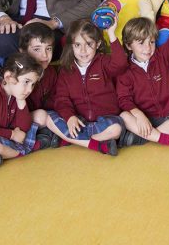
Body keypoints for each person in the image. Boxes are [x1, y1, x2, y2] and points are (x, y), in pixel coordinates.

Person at [40, 18, 127, 156]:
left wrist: (111, 34)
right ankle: (95, 143)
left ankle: (70, 139)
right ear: (71, 46)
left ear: (98, 44)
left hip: (104, 120)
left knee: (117, 128)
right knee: (49, 118)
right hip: (79, 121)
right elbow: (62, 99)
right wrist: (69, 117)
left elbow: (121, 63)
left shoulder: (103, 62)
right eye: (77, 45)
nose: (83, 50)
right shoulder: (66, 70)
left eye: (88, 44)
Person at [116, 15, 169, 148]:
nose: (148, 48)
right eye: (141, 43)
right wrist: (139, 115)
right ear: (129, 45)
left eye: (152, 42)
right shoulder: (125, 70)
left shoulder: (162, 57)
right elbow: (124, 99)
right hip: (143, 119)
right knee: (124, 116)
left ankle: (143, 138)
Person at [19, 22, 60, 147]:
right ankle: (37, 140)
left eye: (48, 48)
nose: (44, 55)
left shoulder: (51, 72)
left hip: (39, 116)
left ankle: (45, 135)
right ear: (23, 52)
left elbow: (54, 99)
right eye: (37, 49)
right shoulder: (18, 75)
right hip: (17, 119)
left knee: (57, 114)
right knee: (42, 116)